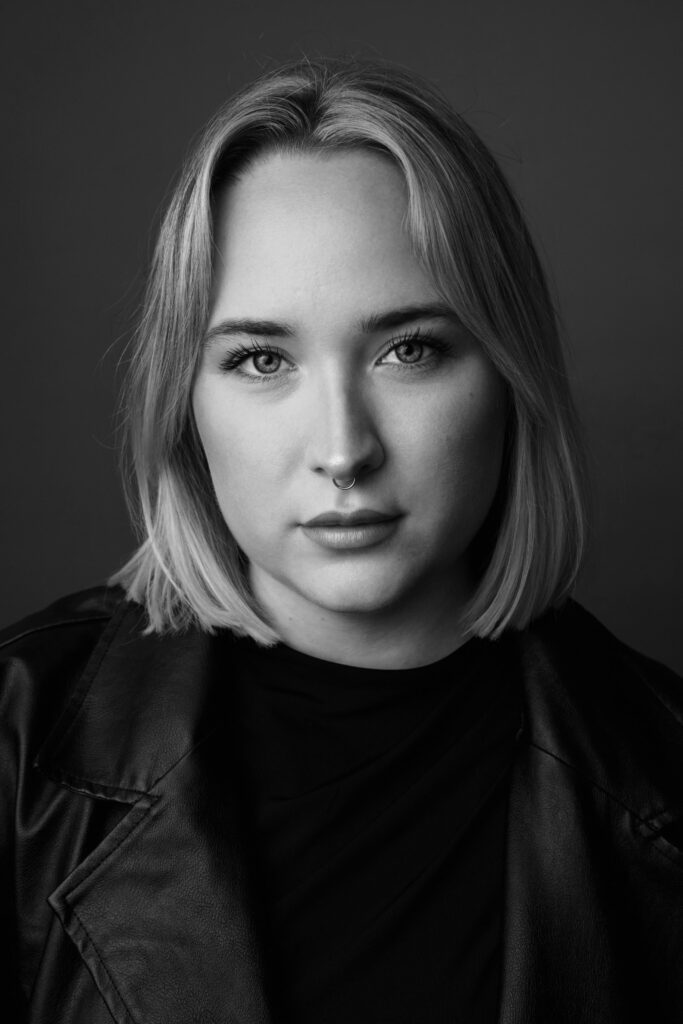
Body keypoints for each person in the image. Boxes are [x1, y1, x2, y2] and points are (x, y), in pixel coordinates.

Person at [1, 55, 681, 1024]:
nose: (342, 450)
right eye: (259, 359)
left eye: (409, 350)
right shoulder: (16, 737)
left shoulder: (663, 769)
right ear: (182, 403)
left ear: (509, 376)